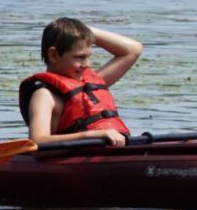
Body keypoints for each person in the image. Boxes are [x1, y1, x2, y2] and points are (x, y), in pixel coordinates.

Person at [20, 18, 143, 148]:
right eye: (80, 57)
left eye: (88, 56)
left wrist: (82, 30)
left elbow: (133, 49)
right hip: (71, 160)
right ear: (53, 55)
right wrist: (92, 135)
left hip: (110, 152)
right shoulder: (44, 95)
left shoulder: (92, 83)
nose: (87, 64)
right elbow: (37, 141)